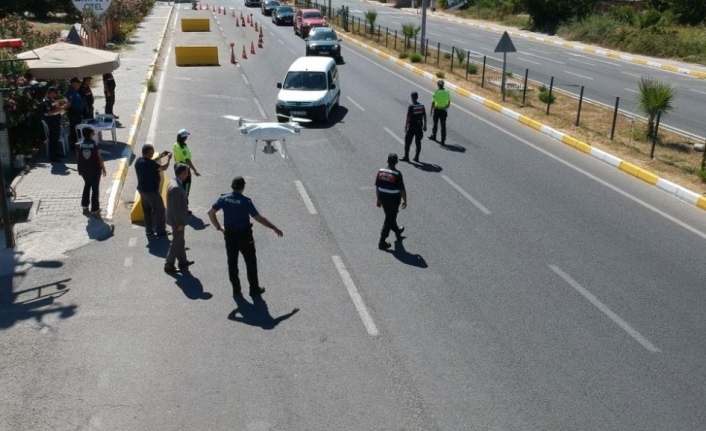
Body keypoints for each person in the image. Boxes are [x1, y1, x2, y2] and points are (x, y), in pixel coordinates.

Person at [207, 176, 283, 297]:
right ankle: (254, 289)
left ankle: (236, 289)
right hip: (244, 236)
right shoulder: (245, 201)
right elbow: (258, 218)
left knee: (232, 263)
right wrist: (273, 227)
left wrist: (218, 227)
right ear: (243, 187)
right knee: (250, 262)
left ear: (232, 186)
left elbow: (210, 213)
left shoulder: (224, 198)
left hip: (229, 235)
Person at [135, 144, 172, 237]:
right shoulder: (151, 164)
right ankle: (161, 231)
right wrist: (168, 159)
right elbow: (164, 167)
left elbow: (151, 163)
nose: (153, 153)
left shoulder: (139, 161)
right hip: (151, 192)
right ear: (148, 153)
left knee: (147, 211)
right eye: (152, 152)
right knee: (160, 210)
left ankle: (149, 230)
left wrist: (160, 156)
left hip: (142, 191)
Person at [165, 164, 195, 273]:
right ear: (182, 173)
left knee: (180, 240)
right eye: (187, 173)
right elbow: (175, 208)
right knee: (177, 240)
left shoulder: (174, 182)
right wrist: (179, 223)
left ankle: (182, 260)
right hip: (177, 221)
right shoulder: (176, 188)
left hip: (177, 219)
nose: (188, 175)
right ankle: (169, 263)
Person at [375, 153, 407, 250]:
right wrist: (405, 201)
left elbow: (377, 186)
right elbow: (402, 189)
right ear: (396, 162)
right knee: (389, 219)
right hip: (393, 200)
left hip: (384, 199)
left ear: (387, 161)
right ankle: (382, 242)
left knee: (390, 217)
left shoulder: (381, 172)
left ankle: (397, 232)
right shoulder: (397, 174)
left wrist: (378, 199)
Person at [75, 127, 106, 215]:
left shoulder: (78, 145)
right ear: (89, 134)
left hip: (84, 170)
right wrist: (103, 168)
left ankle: (84, 204)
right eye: (93, 134)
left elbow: (78, 158)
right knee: (95, 189)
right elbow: (100, 158)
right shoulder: (95, 145)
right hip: (94, 169)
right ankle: (95, 208)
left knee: (87, 185)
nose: (93, 135)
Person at [172, 129, 200, 214]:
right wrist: (195, 171)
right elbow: (188, 160)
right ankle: (184, 208)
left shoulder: (175, 144)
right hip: (184, 169)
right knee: (186, 190)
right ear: (184, 138)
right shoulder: (183, 148)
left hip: (177, 166)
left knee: (180, 187)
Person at [402, 91, 427, 163]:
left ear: (412, 98)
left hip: (412, 127)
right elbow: (424, 116)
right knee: (418, 142)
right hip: (419, 127)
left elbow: (408, 117)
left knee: (407, 141)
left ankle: (406, 157)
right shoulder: (422, 106)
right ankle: (417, 157)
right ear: (417, 97)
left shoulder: (411, 106)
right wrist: (425, 125)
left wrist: (406, 126)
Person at [42, 86, 64, 162]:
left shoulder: (52, 100)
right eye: (55, 93)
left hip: (56, 120)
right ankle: (53, 157)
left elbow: (56, 107)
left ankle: (57, 153)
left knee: (56, 138)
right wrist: (58, 109)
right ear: (51, 93)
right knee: (53, 139)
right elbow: (49, 112)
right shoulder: (46, 101)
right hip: (52, 121)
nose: (56, 94)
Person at [429, 79, 451, 145]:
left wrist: (431, 110)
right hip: (444, 110)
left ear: (438, 85)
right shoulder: (447, 92)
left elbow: (433, 102)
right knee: (443, 126)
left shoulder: (436, 92)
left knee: (435, 124)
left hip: (437, 110)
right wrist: (446, 108)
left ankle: (434, 136)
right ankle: (443, 140)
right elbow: (449, 102)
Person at [64, 77, 85, 147]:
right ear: (73, 84)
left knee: (78, 128)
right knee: (74, 129)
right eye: (78, 84)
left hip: (78, 113)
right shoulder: (71, 92)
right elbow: (69, 103)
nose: (79, 85)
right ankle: (74, 145)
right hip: (74, 113)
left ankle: (78, 143)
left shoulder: (76, 91)